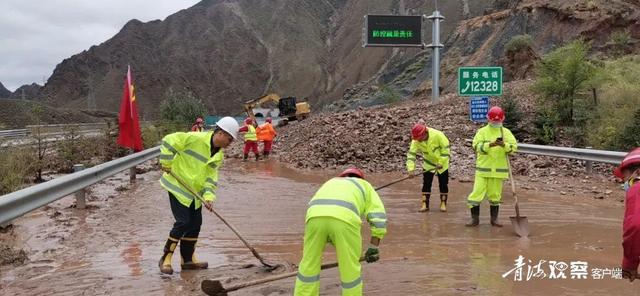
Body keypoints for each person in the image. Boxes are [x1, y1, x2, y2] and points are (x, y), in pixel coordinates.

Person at [157, 116, 239, 274]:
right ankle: (166, 258)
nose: (230, 144)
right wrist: (166, 162)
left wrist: (209, 197)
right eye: (229, 139)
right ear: (220, 133)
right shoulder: (195, 138)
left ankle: (187, 260)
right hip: (178, 187)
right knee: (183, 222)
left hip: (195, 195)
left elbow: (210, 178)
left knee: (195, 224)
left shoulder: (218, 155)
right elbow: (168, 140)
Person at [294, 168, 387, 296]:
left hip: (314, 219)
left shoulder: (331, 182)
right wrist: (374, 246)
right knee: (350, 269)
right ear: (361, 178)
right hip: (344, 220)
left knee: (308, 264)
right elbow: (378, 218)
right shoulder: (365, 186)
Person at [466, 106, 518, 227]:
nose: (495, 123)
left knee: (495, 196)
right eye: (493, 121)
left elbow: (513, 148)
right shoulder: (482, 132)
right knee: (476, 194)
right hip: (483, 170)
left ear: (502, 119)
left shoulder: (506, 133)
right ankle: (475, 220)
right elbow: (476, 147)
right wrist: (489, 145)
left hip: (498, 171)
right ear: (488, 119)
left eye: (498, 121)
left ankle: (494, 220)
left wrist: (504, 145)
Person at [406, 122, 451, 212]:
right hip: (428, 163)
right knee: (426, 183)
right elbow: (411, 155)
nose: (418, 141)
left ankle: (443, 203)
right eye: (417, 139)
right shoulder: (416, 140)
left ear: (425, 133)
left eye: (420, 139)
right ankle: (425, 204)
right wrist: (410, 169)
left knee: (443, 183)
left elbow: (446, 150)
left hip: (442, 164)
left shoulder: (438, 135)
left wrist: (441, 162)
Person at [614, 148, 640, 282]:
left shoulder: (637, 188)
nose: (625, 183)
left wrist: (629, 264)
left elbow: (636, 226)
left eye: (626, 178)